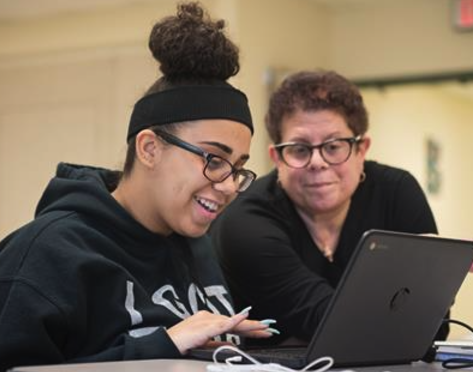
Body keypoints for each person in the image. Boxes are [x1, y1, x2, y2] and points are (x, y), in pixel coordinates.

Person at [0, 2, 276, 370]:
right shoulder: (46, 254)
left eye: (238, 167)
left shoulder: (197, 247)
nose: (228, 186)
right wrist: (165, 344)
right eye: (213, 159)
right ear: (149, 149)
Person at [211, 70, 473, 347]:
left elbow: (431, 334)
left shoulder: (396, 193)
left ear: (361, 149)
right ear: (277, 158)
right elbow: (335, 327)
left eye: (333, 146)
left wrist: (434, 281)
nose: (317, 162)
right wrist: (410, 287)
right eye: (299, 149)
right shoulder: (246, 221)